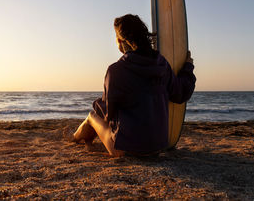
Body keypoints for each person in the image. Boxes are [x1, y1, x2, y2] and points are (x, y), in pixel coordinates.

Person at [72, 14, 196, 156]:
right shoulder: (162, 64)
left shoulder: (115, 70)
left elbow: (108, 114)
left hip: (125, 149)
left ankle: (75, 138)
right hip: (159, 146)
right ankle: (82, 139)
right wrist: (188, 67)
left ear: (119, 40)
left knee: (92, 116)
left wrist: (99, 103)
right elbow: (181, 93)